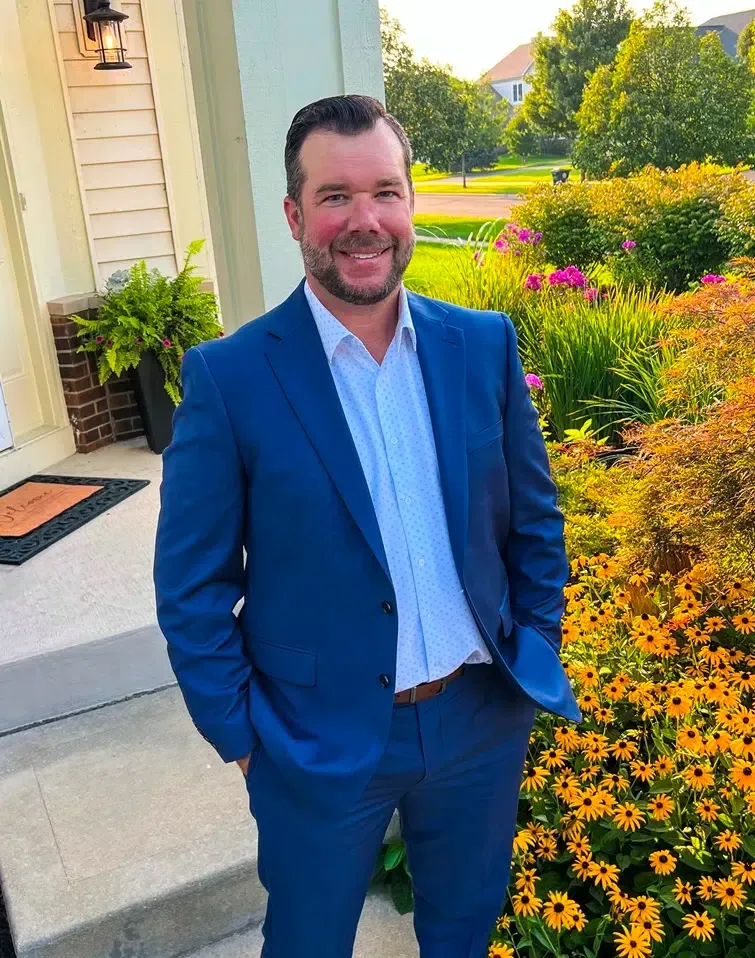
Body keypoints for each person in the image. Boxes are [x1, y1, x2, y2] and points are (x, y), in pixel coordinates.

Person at [154, 94, 580, 958]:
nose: (364, 221)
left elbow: (532, 521)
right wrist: (242, 737)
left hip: (477, 718)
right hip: (312, 739)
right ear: (294, 213)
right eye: (335, 196)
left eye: (384, 191)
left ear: (410, 201)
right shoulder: (230, 379)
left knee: (463, 929)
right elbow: (192, 586)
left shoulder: (481, 345)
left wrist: (534, 642)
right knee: (307, 941)